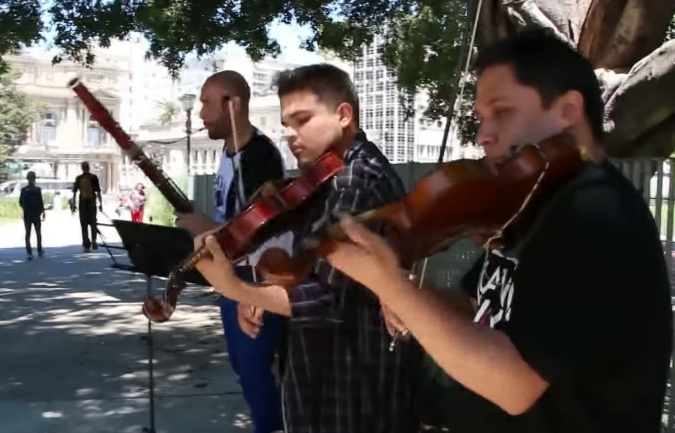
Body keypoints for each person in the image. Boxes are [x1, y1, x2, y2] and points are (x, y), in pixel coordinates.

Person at [321, 28, 673, 433]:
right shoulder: (533, 204)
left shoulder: (596, 212)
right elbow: (480, 308)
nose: (482, 135)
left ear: (568, 111)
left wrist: (390, 287)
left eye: (502, 112)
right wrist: (410, 294)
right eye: (481, 118)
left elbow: (515, 385)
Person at [192, 63, 421, 433]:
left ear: (343, 115)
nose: (289, 134)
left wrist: (235, 287)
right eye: (285, 123)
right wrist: (270, 289)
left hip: (351, 387)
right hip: (327, 378)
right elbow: (308, 264)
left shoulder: (357, 182)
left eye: (301, 120)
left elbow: (327, 298)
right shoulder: (328, 176)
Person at [175, 70, 292, 433]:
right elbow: (234, 221)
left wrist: (205, 229)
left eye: (207, 102)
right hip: (234, 276)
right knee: (244, 370)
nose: (200, 113)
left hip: (257, 277)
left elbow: (266, 232)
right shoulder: (228, 153)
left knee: (256, 374)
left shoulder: (261, 157)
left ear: (233, 104)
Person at [72, 161, 103, 252]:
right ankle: (94, 241)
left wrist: (73, 205)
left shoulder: (78, 178)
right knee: (93, 223)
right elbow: (98, 192)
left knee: (83, 224)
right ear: (89, 168)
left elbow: (74, 193)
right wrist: (101, 204)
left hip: (82, 204)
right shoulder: (94, 177)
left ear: (82, 168)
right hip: (92, 203)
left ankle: (86, 242)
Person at [19, 171, 45, 260]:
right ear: (34, 178)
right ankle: (39, 250)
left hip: (27, 214)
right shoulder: (37, 190)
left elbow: (20, 202)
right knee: (38, 233)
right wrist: (42, 212)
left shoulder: (24, 190)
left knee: (28, 233)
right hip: (36, 214)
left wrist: (25, 209)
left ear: (27, 178)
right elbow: (41, 202)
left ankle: (29, 252)